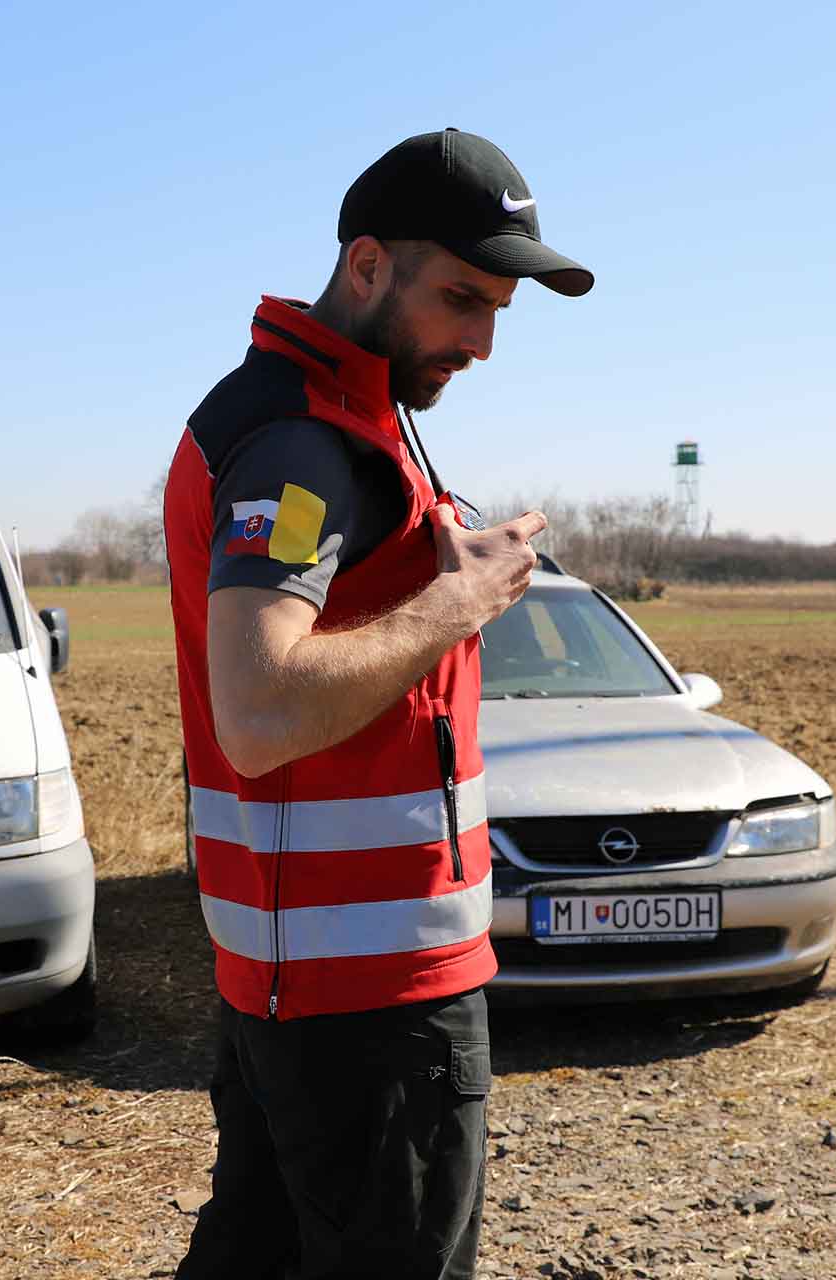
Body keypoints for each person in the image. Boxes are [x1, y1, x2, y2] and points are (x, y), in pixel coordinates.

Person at [163, 128, 594, 1279]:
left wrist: (437, 563)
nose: (483, 342)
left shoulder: (327, 412)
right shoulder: (303, 442)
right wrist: (459, 602)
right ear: (366, 266)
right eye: (461, 298)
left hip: (305, 979)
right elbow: (259, 707)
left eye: (499, 308)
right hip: (367, 994)